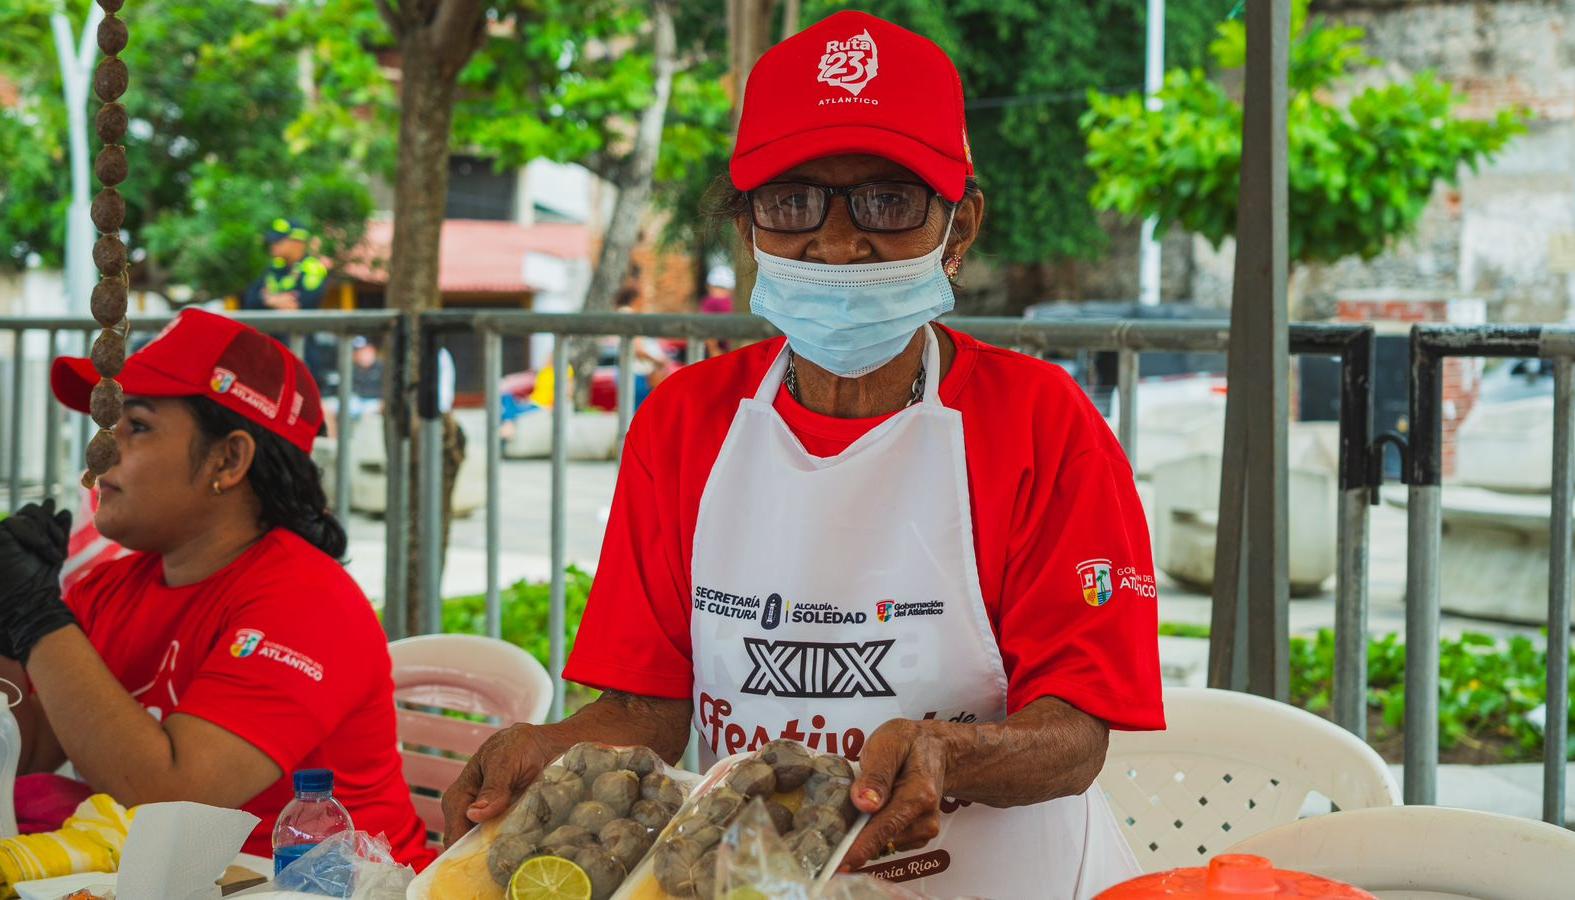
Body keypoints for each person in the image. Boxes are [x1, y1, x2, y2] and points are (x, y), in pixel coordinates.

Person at [442, 12, 1162, 898]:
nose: (837, 241)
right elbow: (647, 707)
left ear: (959, 226)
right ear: (747, 231)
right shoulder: (685, 422)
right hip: (755, 879)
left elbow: (1076, 735)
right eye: (792, 202)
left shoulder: (1040, 423)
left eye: (887, 201)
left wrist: (950, 749)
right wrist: (542, 752)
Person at [0, 309, 434, 867]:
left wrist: (40, 618)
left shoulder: (307, 602)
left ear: (228, 459)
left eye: (137, 427)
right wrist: (13, 628)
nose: (99, 453)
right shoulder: (110, 587)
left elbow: (175, 797)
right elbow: (27, 755)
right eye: (106, 426)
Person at [242, 219, 329, 313]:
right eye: (271, 240)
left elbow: (304, 304)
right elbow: (249, 301)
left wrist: (268, 299)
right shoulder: (273, 266)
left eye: (278, 241)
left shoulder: (313, 267)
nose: (272, 244)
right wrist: (271, 301)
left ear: (298, 242)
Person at [699, 265, 735, 357]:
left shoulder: (710, 302)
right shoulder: (731, 302)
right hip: (726, 350)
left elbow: (706, 326)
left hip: (719, 351)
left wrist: (714, 350)